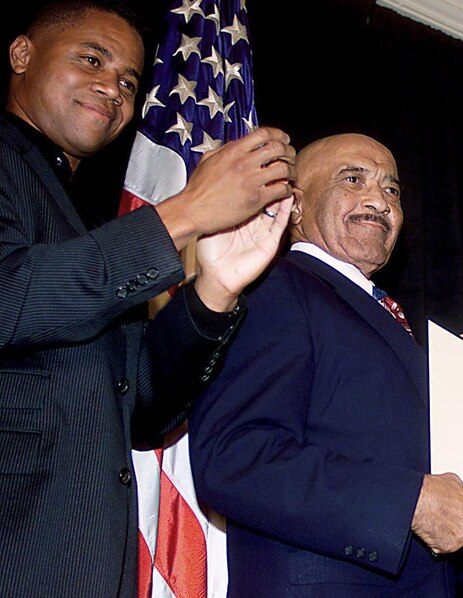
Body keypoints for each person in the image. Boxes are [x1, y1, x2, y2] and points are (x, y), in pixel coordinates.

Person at [0, 1, 295, 596]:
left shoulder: (84, 224)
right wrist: (183, 215)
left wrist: (215, 287)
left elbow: (141, 409)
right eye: (92, 60)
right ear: (23, 55)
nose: (113, 88)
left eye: (129, 81)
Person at [189, 133, 463, 596]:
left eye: (392, 190)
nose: (379, 200)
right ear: (295, 206)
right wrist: (409, 505)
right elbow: (235, 458)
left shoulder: (385, 320)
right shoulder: (276, 288)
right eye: (353, 178)